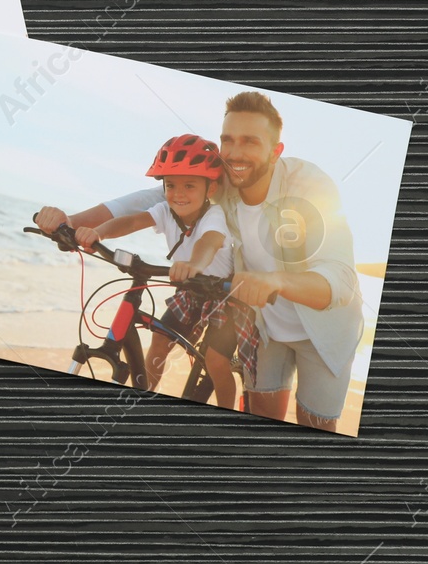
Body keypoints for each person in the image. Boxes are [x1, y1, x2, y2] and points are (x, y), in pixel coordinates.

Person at [34, 92, 362, 431]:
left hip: (322, 329)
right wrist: (68, 223)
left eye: (250, 141)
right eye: (228, 140)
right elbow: (150, 202)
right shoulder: (224, 182)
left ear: (275, 151)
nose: (234, 153)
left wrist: (278, 280)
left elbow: (341, 280)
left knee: (315, 424)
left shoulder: (308, 184)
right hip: (267, 325)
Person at [72, 134, 247, 411]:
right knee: (159, 341)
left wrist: (194, 265)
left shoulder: (213, 216)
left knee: (216, 361)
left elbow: (209, 243)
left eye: (189, 186)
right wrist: (98, 232)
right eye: (171, 185)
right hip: (190, 291)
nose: (179, 193)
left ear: (210, 188)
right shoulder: (166, 210)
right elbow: (131, 221)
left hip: (222, 297)